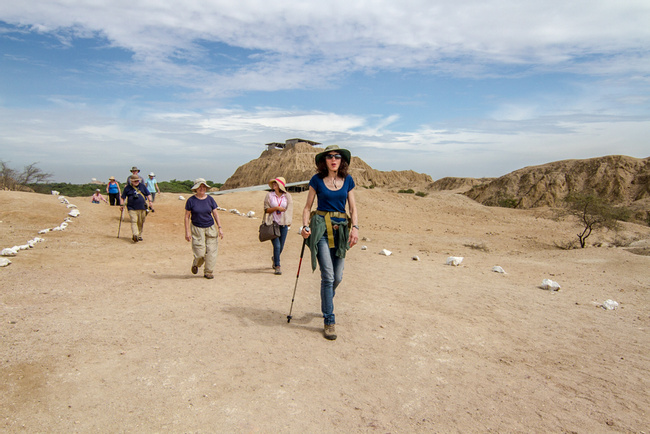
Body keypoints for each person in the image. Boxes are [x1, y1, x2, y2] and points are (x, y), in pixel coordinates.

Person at [301, 145, 359, 340]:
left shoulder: (348, 180)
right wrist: (305, 226)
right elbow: (307, 207)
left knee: (338, 277)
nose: (333, 159)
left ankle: (327, 301)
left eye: (337, 156)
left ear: (342, 161)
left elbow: (352, 207)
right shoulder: (316, 180)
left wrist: (356, 228)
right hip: (321, 230)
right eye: (329, 157)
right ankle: (329, 319)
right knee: (328, 275)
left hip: (341, 231)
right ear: (324, 161)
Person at [184, 178, 224, 279]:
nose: (202, 189)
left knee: (211, 251)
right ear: (196, 189)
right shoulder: (191, 200)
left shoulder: (210, 199)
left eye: (204, 187)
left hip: (210, 228)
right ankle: (196, 263)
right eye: (200, 187)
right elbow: (186, 217)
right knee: (200, 253)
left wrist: (220, 227)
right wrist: (187, 232)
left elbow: (215, 213)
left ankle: (208, 271)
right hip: (197, 229)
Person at [264, 177, 293, 275]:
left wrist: (289, 220)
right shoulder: (269, 195)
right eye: (273, 183)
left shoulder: (287, 196)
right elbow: (266, 209)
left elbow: (290, 209)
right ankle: (277, 266)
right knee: (277, 246)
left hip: (283, 224)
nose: (273, 185)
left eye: (276, 183)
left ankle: (274, 258)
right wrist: (276, 208)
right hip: (273, 224)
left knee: (281, 246)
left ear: (280, 185)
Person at [120, 175, 154, 243]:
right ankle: (135, 234)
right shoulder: (127, 188)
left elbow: (148, 194)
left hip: (142, 207)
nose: (136, 182)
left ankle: (139, 235)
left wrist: (150, 201)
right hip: (131, 208)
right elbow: (122, 197)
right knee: (134, 220)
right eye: (135, 181)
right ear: (131, 181)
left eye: (137, 180)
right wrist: (121, 205)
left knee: (140, 222)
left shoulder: (142, 186)